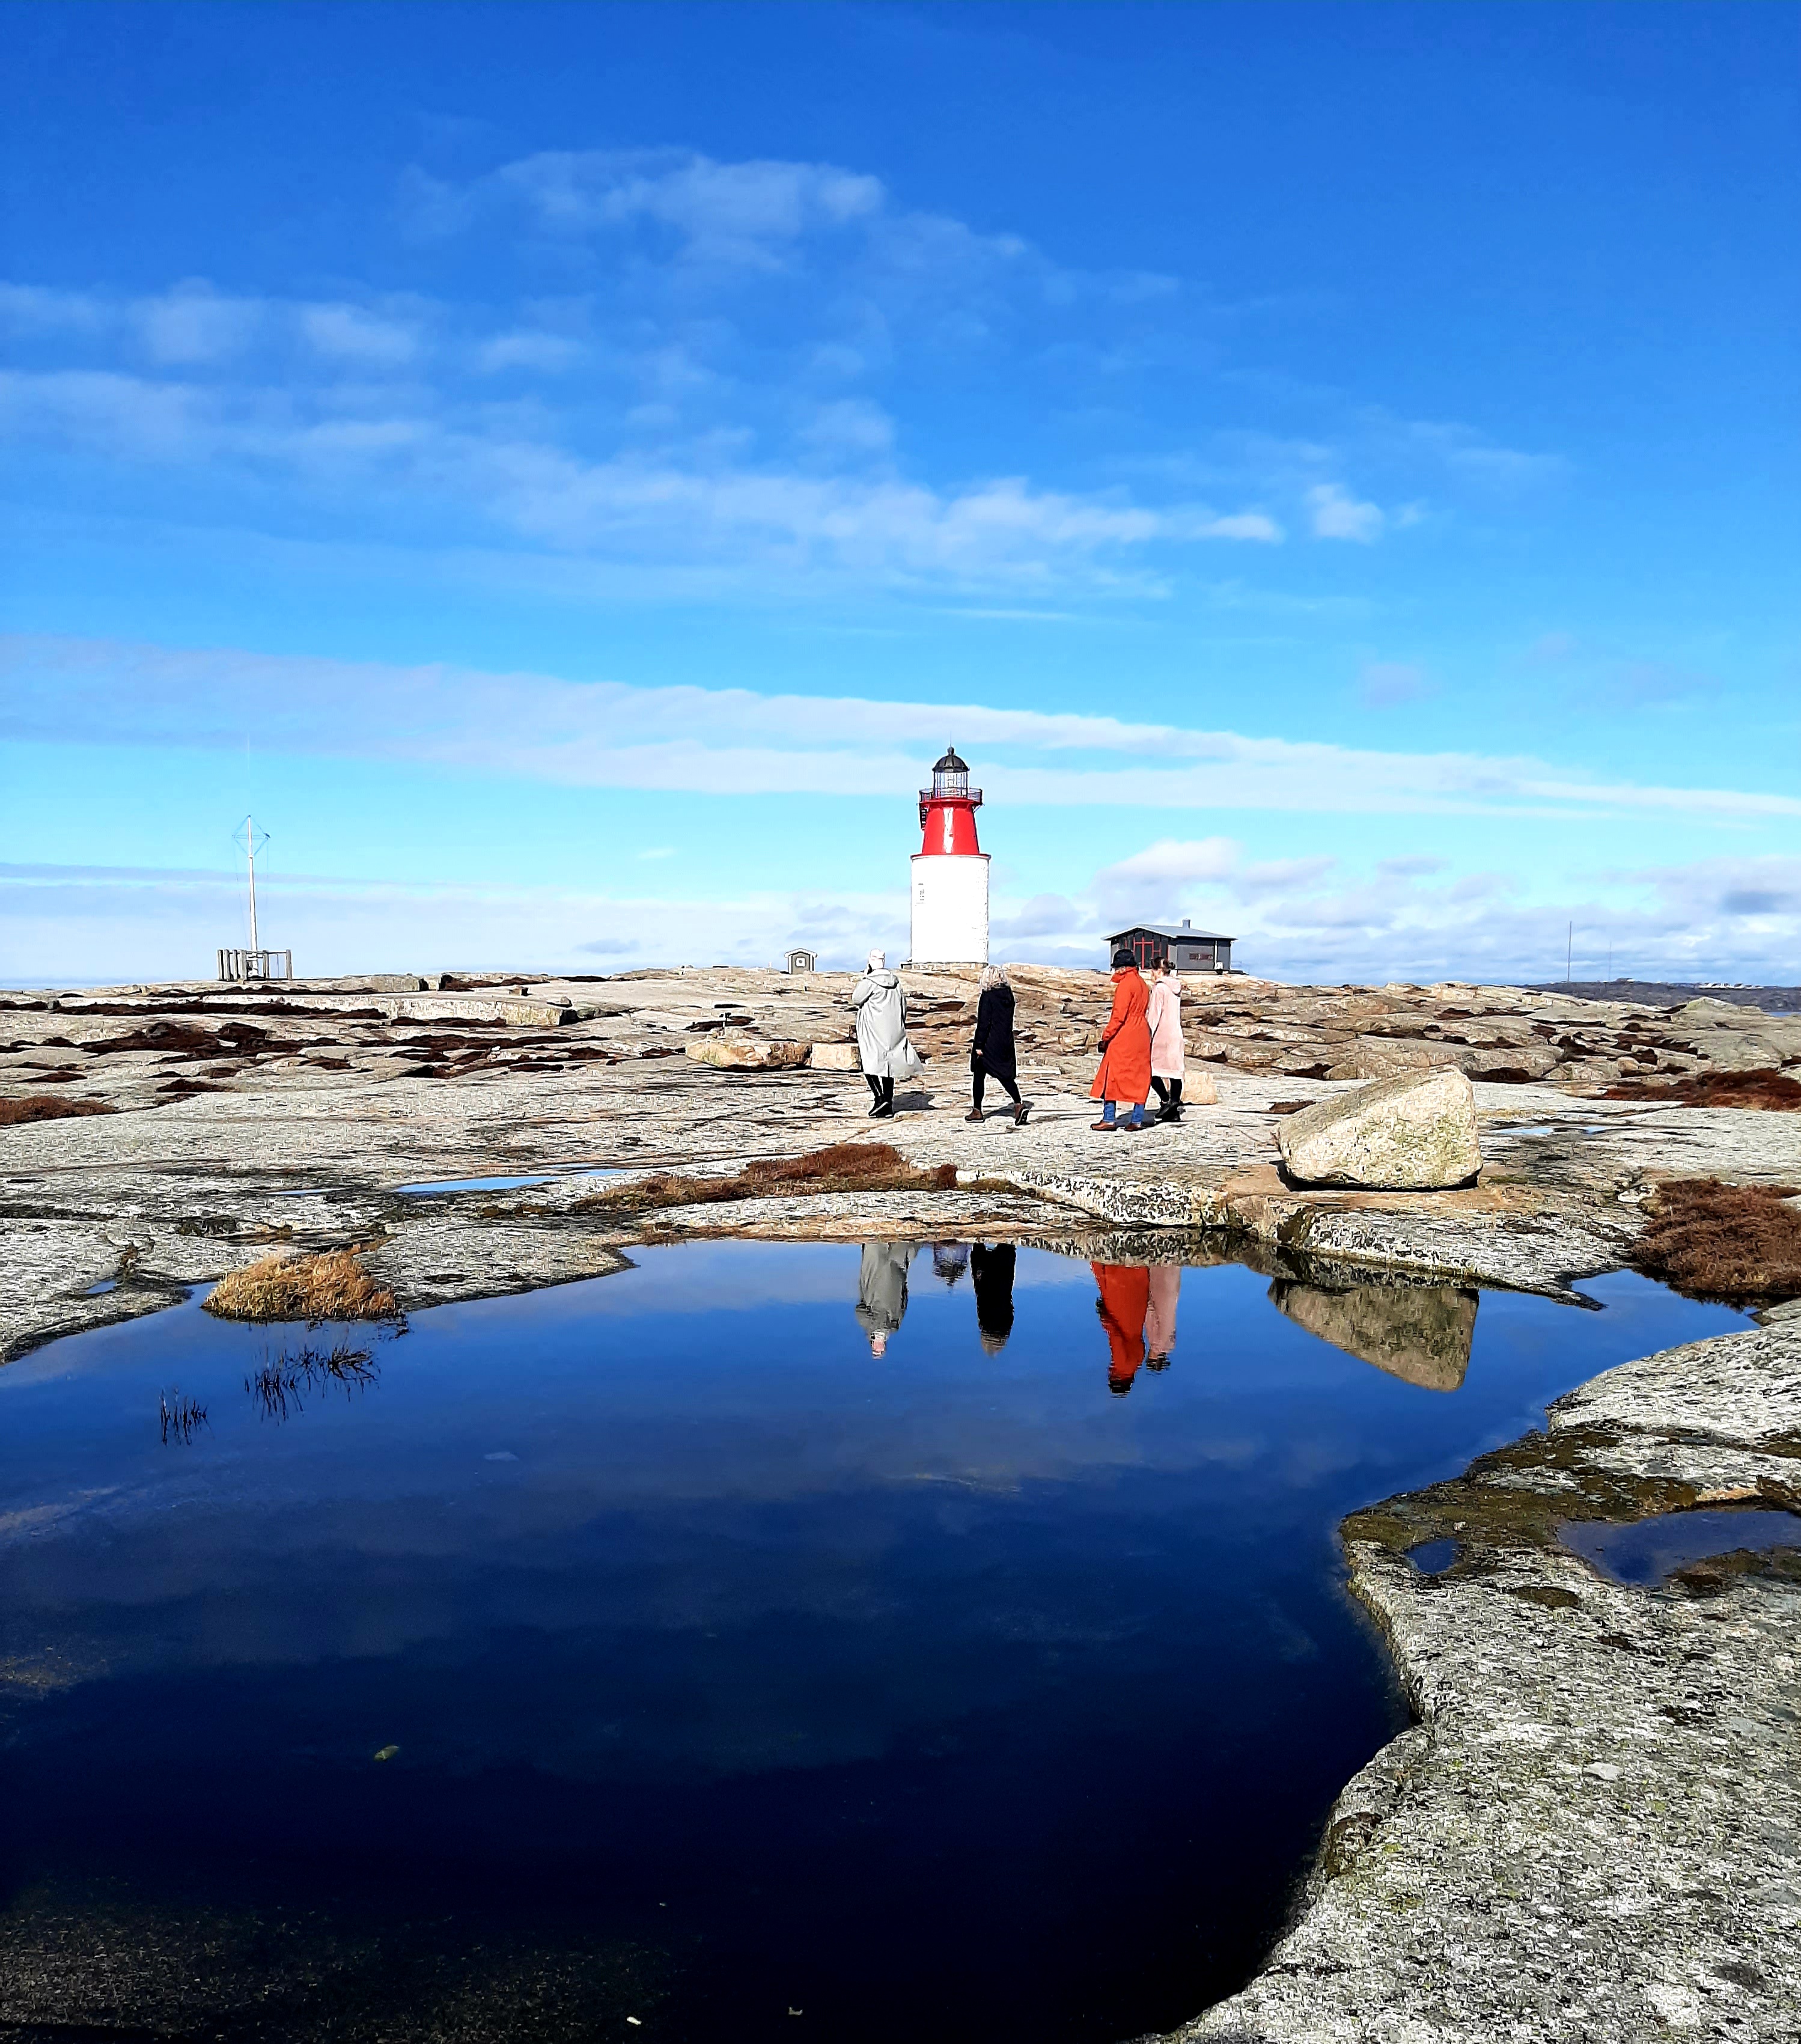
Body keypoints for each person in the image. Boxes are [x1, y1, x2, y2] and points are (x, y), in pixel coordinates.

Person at [1089, 948, 1153, 1132]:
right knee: (1140, 1076)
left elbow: (1119, 1016)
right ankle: (1137, 1120)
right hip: (1141, 1032)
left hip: (1125, 1034)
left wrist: (1106, 1037)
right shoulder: (1142, 984)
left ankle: (1109, 1119)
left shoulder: (1125, 985)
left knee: (1112, 1076)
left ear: (1122, 968)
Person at [852, 949, 916, 1119]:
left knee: (870, 1063)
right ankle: (888, 1102)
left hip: (873, 1030)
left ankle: (880, 1099)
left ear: (871, 962)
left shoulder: (870, 982)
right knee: (889, 1066)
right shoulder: (895, 982)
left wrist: (865, 976)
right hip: (892, 1029)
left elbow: (857, 998)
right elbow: (903, 1005)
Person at [968, 963, 1028, 1125]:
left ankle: (977, 1111)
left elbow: (984, 1023)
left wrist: (979, 1045)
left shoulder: (988, 996)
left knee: (979, 1074)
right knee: (1005, 1075)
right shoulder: (1009, 996)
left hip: (989, 1043)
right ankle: (1018, 1104)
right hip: (1006, 1041)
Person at [1092, 1261, 1150, 1394]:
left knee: (1134, 1278)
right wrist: (1104, 1318)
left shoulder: (1139, 1361)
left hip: (1136, 1312)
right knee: (1111, 1269)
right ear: (1116, 1379)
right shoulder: (1121, 1365)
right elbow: (1116, 1337)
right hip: (1120, 1310)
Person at [1146, 957, 1187, 1123]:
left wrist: (1147, 1034)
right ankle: (1174, 1110)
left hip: (1161, 1035)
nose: (1151, 974)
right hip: (1176, 1033)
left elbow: (1154, 1015)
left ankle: (1166, 1101)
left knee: (1151, 1071)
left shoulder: (1160, 989)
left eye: (1153, 970)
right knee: (1175, 1073)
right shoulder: (1176, 988)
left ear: (1159, 971)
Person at [856, 1240, 913, 1356]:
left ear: (872, 1345)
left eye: (875, 1350)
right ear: (885, 1346)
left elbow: (859, 1310)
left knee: (876, 1246)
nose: (878, 1347)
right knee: (900, 1248)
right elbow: (904, 1304)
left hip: (875, 1279)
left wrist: (873, 1325)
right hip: (896, 1281)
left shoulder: (867, 1325)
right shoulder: (895, 1326)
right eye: (880, 1350)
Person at [970, 1241, 1016, 1354]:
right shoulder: (987, 1325)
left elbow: (1010, 1313)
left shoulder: (1002, 1327)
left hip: (1001, 1279)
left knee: (1006, 1248)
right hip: (991, 1280)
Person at [1145, 1263, 1180, 1370]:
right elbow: (1150, 1315)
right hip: (1160, 1289)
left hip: (1173, 1287)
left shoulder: (1171, 1343)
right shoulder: (1155, 1343)